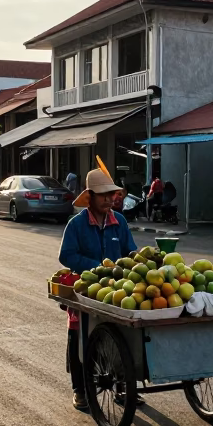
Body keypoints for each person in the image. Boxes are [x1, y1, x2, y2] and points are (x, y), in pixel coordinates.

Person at [58, 168, 138, 410]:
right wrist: (97, 268)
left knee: (121, 335)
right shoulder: (77, 224)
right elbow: (66, 255)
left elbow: (130, 252)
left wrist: (141, 262)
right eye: (102, 195)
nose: (108, 199)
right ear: (90, 196)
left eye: (110, 195)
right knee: (78, 335)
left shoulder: (119, 222)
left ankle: (123, 385)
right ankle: (80, 389)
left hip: (116, 290)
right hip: (85, 289)